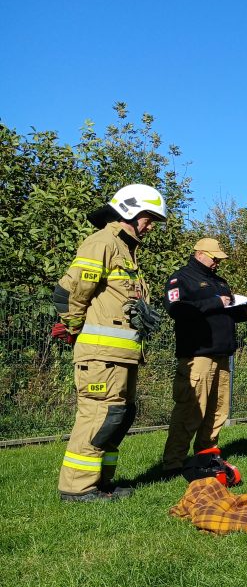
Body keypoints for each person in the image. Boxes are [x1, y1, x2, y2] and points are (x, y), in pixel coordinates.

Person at [51, 184, 167, 502]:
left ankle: (101, 482)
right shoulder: (101, 242)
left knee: (118, 416)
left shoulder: (126, 251)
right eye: (149, 216)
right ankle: (77, 488)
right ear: (130, 211)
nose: (151, 224)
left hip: (122, 356)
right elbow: (69, 291)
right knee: (99, 415)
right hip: (101, 355)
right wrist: (72, 327)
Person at [161, 238, 247, 474]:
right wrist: (215, 301)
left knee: (218, 410)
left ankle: (207, 456)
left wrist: (245, 311)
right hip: (198, 355)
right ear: (200, 254)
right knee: (191, 410)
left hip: (222, 355)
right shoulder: (181, 278)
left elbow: (226, 314)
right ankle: (173, 463)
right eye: (214, 258)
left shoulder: (219, 281)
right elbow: (176, 309)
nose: (217, 263)